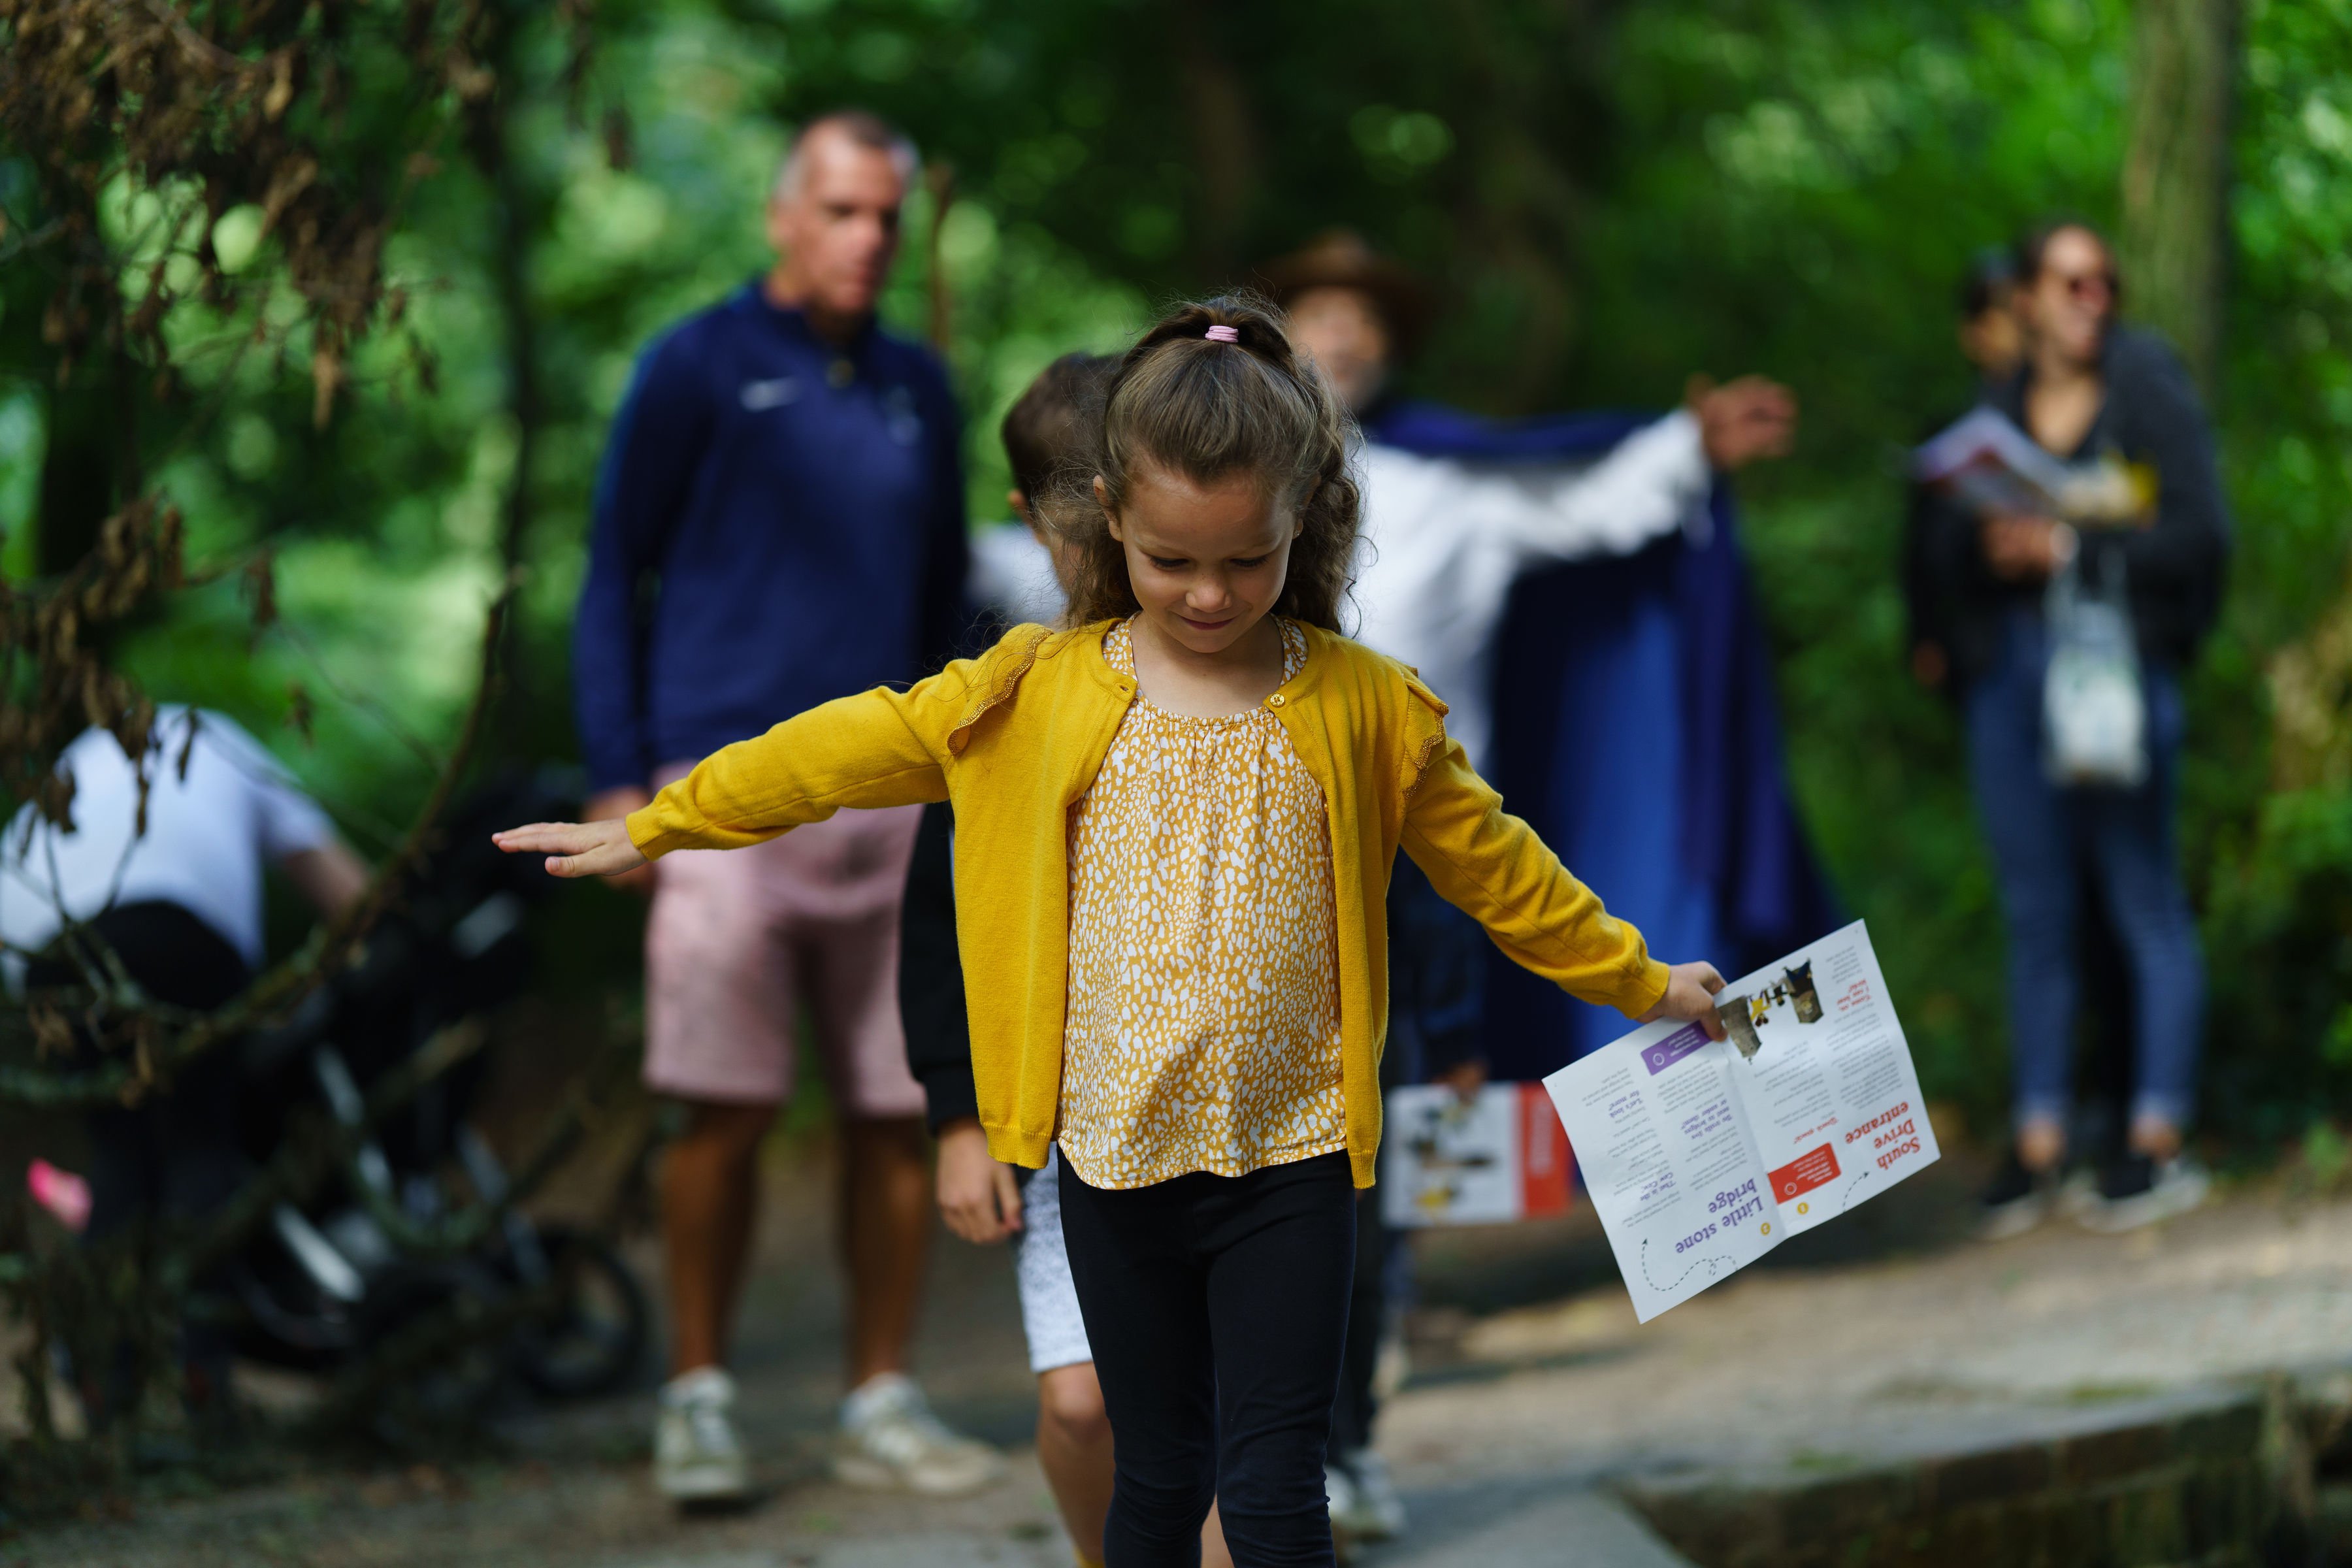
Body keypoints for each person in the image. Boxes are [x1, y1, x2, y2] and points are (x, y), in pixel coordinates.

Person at [497, 294, 1733, 1568]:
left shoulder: (1367, 707)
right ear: (1111, 522)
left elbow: (1503, 871)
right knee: (1155, 1483)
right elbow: (837, 751)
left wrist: (1642, 983)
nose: (1208, 594)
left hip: (1293, 1167)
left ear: (1299, 519)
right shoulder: (1036, 691)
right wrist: (656, 825)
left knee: (1270, 1498)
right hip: (1112, 1167)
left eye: (1243, 562)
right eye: (1170, 561)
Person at [1264, 232, 1809, 1541]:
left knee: (1368, 1153)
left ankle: (1348, 1439)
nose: (1341, 337)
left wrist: (1688, 444)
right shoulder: (1224, 493)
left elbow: (1598, 506)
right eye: (1316, 314)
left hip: (1423, 866)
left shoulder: (1457, 487)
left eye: (1363, 318)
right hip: (1256, 863)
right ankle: (1255, 1435)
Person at [569, 109, 989, 1502]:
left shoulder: (920, 388)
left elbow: (945, 603)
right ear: (784, 218)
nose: (868, 238)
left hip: (890, 800)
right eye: (843, 211)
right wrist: (626, 780)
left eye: (886, 215)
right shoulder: (696, 366)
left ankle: (881, 1396)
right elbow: (611, 571)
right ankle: (697, 1396)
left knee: (901, 1108)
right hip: (717, 795)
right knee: (723, 1111)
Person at [903, 351, 1235, 1568]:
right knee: (1085, 1400)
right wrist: (955, 1112)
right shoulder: (1010, 695)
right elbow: (938, 911)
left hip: (1240, 1111)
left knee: (1230, 1420)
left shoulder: (1254, 669)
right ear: (1039, 520)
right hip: (1066, 1120)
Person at [1912, 220, 2229, 1233]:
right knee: (2036, 910)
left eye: (2106, 281)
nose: (2094, 297)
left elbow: (2199, 537)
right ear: (2028, 298)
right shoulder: (1995, 408)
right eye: (2071, 281)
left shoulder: (2148, 387)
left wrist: (2074, 551)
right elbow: (1935, 549)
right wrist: (1991, 560)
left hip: (2118, 675)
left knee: (2143, 899)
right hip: (2012, 680)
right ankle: (2041, 1134)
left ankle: (2154, 1133)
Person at [1, 707, 370, 1421]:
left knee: (121, 1149)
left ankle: (105, 1370)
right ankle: (198, 1364)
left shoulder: (79, 757)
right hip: (183, 924)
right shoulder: (224, 739)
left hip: (46, 946)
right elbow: (348, 893)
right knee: (200, 1140)